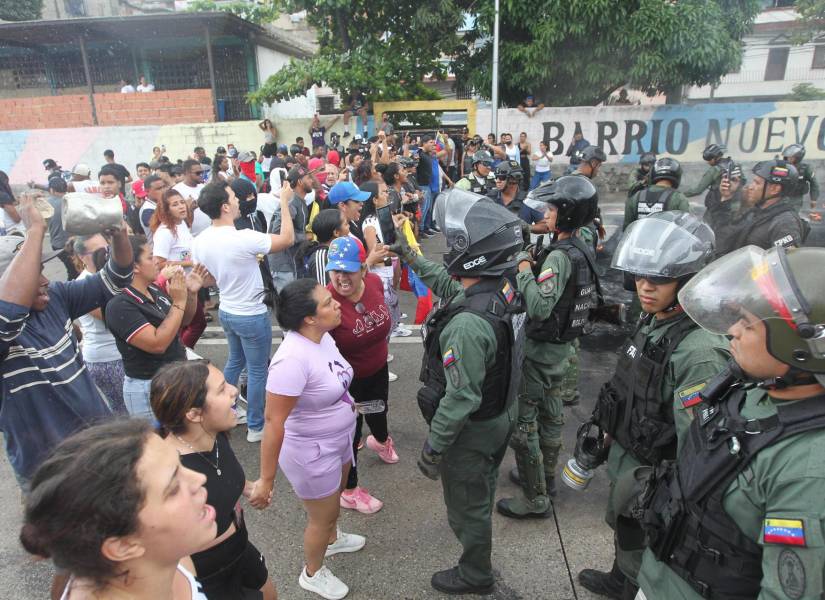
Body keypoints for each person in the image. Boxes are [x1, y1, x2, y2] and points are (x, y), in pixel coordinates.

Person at [634, 244, 825, 600]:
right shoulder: (750, 391)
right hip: (661, 577)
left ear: (796, 348)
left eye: (748, 324)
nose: (733, 331)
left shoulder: (809, 471)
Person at [577, 211, 729, 599]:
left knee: (643, 544)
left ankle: (631, 585)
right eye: (639, 277)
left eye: (659, 278)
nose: (645, 287)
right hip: (629, 455)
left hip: (655, 471)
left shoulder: (698, 351)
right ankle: (619, 578)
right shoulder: (656, 317)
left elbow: (696, 445)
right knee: (624, 528)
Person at [390, 192, 525, 595]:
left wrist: (434, 447)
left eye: (459, 246)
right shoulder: (500, 289)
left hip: (473, 430)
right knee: (480, 490)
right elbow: (451, 284)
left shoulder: (467, 326)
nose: (452, 250)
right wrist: (411, 256)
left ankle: (476, 575)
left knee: (468, 508)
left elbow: (460, 398)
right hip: (501, 414)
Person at [0, 194, 133, 485]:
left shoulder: (57, 297)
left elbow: (118, 279)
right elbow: (8, 316)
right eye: (35, 273)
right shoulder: (7, 331)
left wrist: (119, 235)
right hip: (51, 473)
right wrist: (34, 230)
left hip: (99, 449)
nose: (46, 280)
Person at [250, 278, 365, 600]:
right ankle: (313, 572)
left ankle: (332, 539)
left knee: (335, 496)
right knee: (321, 515)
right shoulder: (291, 360)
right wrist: (266, 480)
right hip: (311, 451)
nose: (337, 305)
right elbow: (274, 422)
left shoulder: (322, 339)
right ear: (309, 319)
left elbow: (333, 379)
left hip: (339, 439)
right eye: (328, 303)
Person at [495, 177, 600, 518]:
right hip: (562, 349)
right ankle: (547, 478)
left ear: (567, 214)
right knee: (553, 416)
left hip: (541, 353)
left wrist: (524, 266)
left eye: (553, 209)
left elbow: (540, 306)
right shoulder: (582, 245)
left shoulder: (559, 257)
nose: (548, 213)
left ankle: (534, 496)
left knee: (525, 425)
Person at [21, 420, 214, 600]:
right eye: (172, 489)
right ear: (123, 546)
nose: (199, 478)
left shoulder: (168, 554)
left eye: (180, 465)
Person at [152, 360, 277, 600]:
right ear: (194, 414)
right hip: (205, 575)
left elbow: (220, 477)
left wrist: (249, 488)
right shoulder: (168, 472)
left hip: (241, 550)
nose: (234, 390)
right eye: (221, 389)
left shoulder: (214, 435)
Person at [192, 180, 295, 443]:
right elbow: (287, 239)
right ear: (225, 207)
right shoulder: (242, 237)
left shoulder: (201, 240)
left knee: (235, 361)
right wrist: (284, 202)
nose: (238, 200)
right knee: (258, 370)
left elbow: (207, 279)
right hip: (250, 313)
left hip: (227, 311)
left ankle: (228, 410)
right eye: (233, 197)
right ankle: (256, 425)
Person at [324, 236, 396, 515]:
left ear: (363, 269)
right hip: (347, 384)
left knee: (379, 411)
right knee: (350, 435)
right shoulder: (326, 302)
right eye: (335, 270)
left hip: (378, 368)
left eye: (348, 270)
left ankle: (379, 440)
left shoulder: (375, 283)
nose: (341, 277)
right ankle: (349, 491)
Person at [105, 236, 205, 419]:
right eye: (150, 257)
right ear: (134, 266)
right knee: (158, 444)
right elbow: (157, 344)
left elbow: (183, 321)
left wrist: (190, 294)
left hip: (174, 380)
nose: (157, 262)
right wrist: (179, 301)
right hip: (148, 389)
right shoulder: (120, 305)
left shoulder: (154, 290)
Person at [73, 234, 127, 415]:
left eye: (108, 249)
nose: (106, 255)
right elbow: (116, 317)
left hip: (122, 351)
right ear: (82, 257)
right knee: (125, 413)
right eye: (98, 252)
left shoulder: (110, 276)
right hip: (107, 357)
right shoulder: (83, 285)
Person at [712, 159, 806, 255]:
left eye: (757, 183)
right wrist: (726, 197)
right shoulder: (756, 212)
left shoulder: (784, 222)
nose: (750, 187)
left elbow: (785, 262)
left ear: (775, 189)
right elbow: (723, 236)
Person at [151, 188, 207, 349]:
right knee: (195, 323)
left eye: (182, 202)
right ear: (166, 210)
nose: (181, 207)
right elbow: (159, 263)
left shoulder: (181, 224)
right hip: (175, 286)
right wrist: (189, 263)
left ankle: (181, 352)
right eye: (175, 205)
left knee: (192, 323)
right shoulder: (165, 232)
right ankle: (181, 353)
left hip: (190, 284)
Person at [268, 166, 313, 290]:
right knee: (286, 305)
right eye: (308, 178)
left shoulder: (299, 200)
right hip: (283, 266)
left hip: (292, 262)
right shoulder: (291, 202)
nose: (312, 181)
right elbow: (277, 233)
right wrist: (305, 236)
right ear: (299, 182)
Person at [623, 157, 690, 230]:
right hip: (667, 241)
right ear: (677, 176)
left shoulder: (635, 197)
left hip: (638, 241)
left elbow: (627, 229)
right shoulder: (679, 198)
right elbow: (688, 226)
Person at [487, 161, 547, 233]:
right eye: (496, 177)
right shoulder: (489, 198)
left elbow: (545, 226)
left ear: (514, 179)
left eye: (501, 177)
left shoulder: (529, 201)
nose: (497, 181)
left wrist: (527, 227)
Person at [45, 177, 78, 280]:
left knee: (73, 270)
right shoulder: (73, 201)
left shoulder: (46, 203)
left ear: (52, 190)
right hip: (74, 243)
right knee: (76, 271)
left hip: (57, 245)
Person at [328, 181, 370, 249]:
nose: (362, 203)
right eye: (357, 200)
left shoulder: (353, 222)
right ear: (342, 205)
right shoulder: (339, 235)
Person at [173, 159, 210, 236]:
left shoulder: (203, 187)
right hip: (191, 236)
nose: (201, 175)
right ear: (186, 173)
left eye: (202, 172)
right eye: (198, 173)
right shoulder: (177, 190)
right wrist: (189, 207)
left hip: (208, 233)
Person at [781, 143, 820, 212]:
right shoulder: (781, 166)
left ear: (798, 158)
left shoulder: (805, 168)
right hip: (780, 197)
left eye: (791, 157)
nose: (788, 159)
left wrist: (813, 199)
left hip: (795, 198)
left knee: (792, 215)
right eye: (787, 157)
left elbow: (814, 183)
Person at [139, 174, 166, 241]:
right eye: (159, 189)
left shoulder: (160, 204)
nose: (163, 191)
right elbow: (163, 231)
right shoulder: (148, 210)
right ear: (147, 191)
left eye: (164, 187)